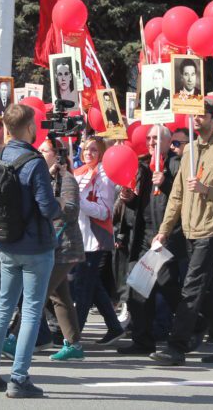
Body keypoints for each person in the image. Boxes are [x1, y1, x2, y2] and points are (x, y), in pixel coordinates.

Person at [150, 99, 213, 365]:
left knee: (191, 287)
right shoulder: (189, 149)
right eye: (194, 114)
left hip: (211, 230)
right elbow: (177, 194)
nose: (197, 119)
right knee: (209, 290)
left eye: (202, 114)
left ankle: (177, 345)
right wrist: (165, 229)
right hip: (189, 230)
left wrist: (206, 190)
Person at [0, 104, 61, 399]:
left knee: (3, 306)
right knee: (31, 311)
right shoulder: (34, 162)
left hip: (7, 242)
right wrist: (60, 203)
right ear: (28, 128)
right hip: (36, 245)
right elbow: (47, 207)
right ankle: (19, 377)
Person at [118, 125, 186, 355]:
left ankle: (195, 321)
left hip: (165, 235)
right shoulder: (143, 166)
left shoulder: (177, 165)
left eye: (157, 138)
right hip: (143, 235)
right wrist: (129, 199)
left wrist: (166, 183)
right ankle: (142, 340)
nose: (152, 142)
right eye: (149, 138)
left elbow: (185, 198)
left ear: (168, 142)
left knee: (168, 287)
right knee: (138, 289)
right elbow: (139, 203)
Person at [73, 136, 124, 344]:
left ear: (102, 152)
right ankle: (114, 327)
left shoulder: (104, 175)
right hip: (78, 238)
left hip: (95, 238)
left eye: (94, 150)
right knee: (92, 285)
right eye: (86, 149)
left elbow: (104, 212)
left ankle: (73, 335)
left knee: (84, 287)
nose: (88, 153)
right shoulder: (79, 172)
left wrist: (78, 201)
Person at [38, 135, 85, 361]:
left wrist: (48, 203)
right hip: (54, 245)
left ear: (56, 155)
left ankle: (16, 337)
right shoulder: (47, 178)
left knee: (39, 292)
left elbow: (71, 209)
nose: (39, 154)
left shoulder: (65, 179)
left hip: (64, 245)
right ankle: (74, 344)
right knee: (59, 296)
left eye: (44, 151)